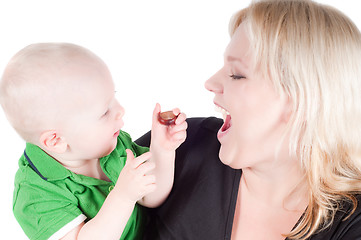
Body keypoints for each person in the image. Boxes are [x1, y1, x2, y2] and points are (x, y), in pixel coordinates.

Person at [138, 0, 361, 239]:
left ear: (302, 103)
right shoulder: (181, 145)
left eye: (236, 75)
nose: (211, 83)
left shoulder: (350, 225)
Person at [0, 42, 187, 240]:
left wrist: (162, 149)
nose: (120, 110)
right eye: (104, 112)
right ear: (56, 140)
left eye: (113, 97)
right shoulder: (35, 195)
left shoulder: (110, 145)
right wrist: (123, 196)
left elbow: (151, 198)